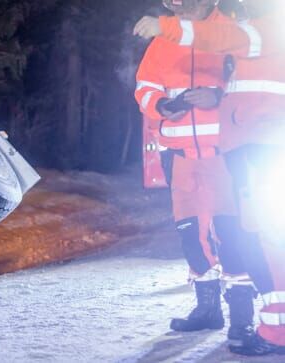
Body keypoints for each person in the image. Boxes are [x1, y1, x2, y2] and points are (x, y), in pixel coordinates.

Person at [134, 0, 285, 356]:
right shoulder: (163, 42)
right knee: (191, 235)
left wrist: (216, 96)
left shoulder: (231, 33)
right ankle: (207, 310)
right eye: (170, 0)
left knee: (234, 237)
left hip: (226, 153)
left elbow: (244, 82)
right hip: (181, 156)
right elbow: (144, 86)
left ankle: (243, 319)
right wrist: (160, 106)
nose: (176, 4)